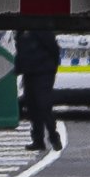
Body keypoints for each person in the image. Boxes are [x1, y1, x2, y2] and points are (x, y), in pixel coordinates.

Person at [15, 24, 63, 154]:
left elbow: (53, 48)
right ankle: (38, 140)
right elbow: (20, 49)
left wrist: (51, 68)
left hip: (43, 72)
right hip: (29, 71)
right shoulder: (21, 28)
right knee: (32, 105)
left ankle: (53, 136)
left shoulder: (41, 27)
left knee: (43, 105)